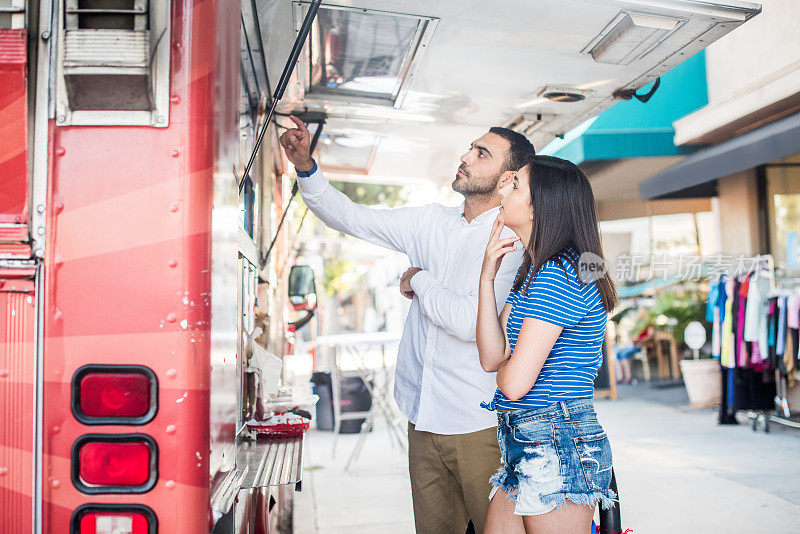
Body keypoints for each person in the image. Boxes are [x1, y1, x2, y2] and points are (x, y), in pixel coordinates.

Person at [280, 115, 534, 534]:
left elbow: (467, 322)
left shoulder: (514, 240)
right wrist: (307, 166)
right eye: (470, 147)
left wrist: (418, 278)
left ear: (509, 178)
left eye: (481, 153)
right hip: (421, 416)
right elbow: (350, 216)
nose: (465, 157)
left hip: (480, 425)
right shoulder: (429, 221)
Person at [476, 155, 619, 534]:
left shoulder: (559, 274)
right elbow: (492, 358)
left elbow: (512, 383)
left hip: (557, 440)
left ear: (542, 206)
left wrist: (511, 364)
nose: (503, 190)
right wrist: (486, 277)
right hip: (527, 440)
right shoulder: (533, 271)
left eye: (516, 185)